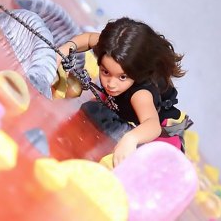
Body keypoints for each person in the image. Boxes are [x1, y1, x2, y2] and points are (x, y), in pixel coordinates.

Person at [58, 17, 192, 167]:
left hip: (158, 134)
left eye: (122, 77)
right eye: (105, 71)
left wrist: (131, 139)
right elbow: (89, 38)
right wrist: (66, 48)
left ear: (136, 73)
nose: (111, 84)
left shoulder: (141, 95)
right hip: (123, 105)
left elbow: (152, 125)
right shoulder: (112, 52)